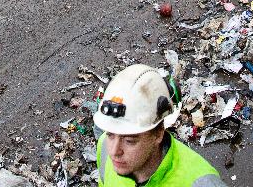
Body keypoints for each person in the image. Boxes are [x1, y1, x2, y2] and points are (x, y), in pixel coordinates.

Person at [93, 64, 227, 187]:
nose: (114, 151)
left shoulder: (201, 183)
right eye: (110, 134)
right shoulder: (104, 147)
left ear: (158, 133)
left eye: (130, 141)